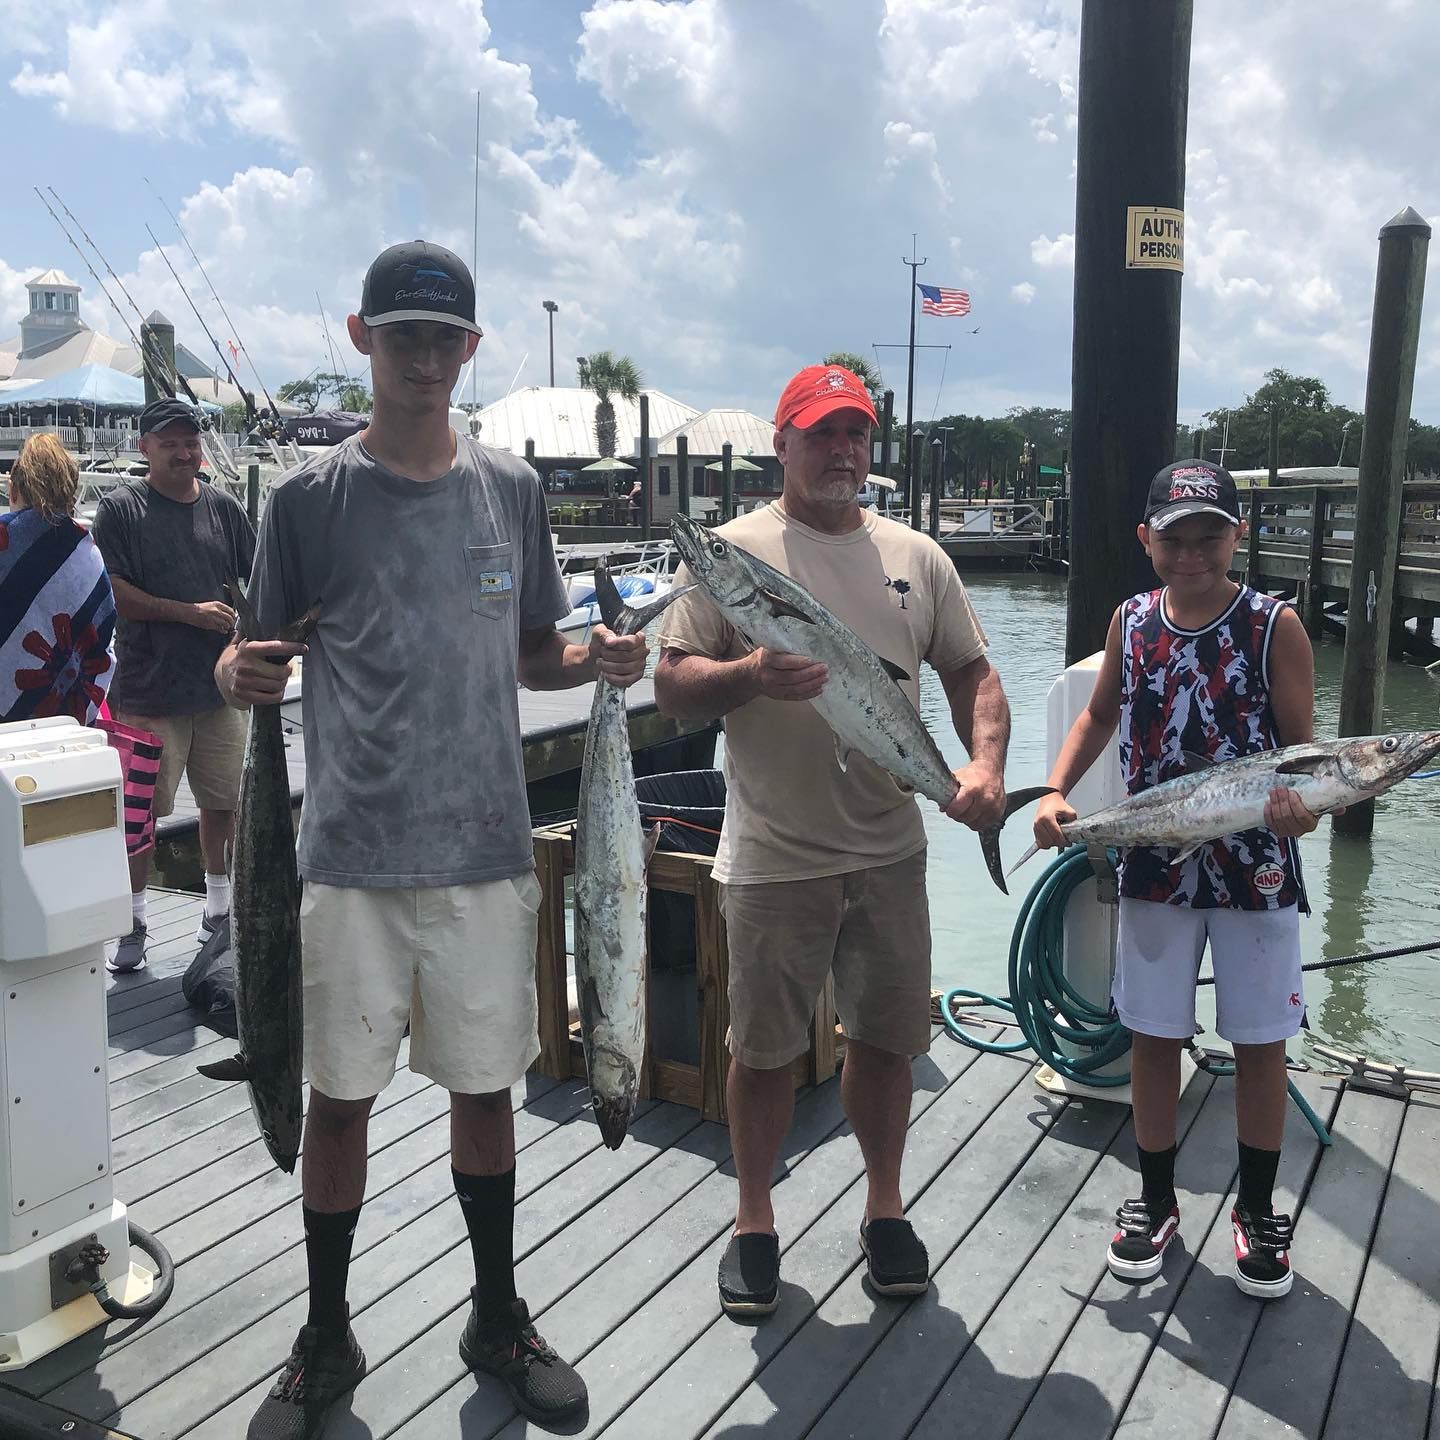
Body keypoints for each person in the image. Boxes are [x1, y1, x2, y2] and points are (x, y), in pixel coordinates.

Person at [214, 239, 647, 1439]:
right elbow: (249, 652)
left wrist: (604, 663)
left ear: (469, 348)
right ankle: (326, 1328)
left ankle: (495, 1315)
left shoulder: (512, 490)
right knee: (336, 1102)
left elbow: (538, 657)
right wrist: (227, 667)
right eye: (399, 333)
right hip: (347, 855)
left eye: (441, 336)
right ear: (362, 339)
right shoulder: (306, 504)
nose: (420, 355)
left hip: (486, 852)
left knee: (484, 1089)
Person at [653, 363, 1013, 1318]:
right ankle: (753, 1219)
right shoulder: (730, 555)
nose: (842, 451)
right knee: (761, 1051)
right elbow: (671, 684)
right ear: (782, 444)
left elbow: (975, 675)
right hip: (775, 855)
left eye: (855, 433)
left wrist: (980, 769)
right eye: (821, 433)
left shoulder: (917, 555)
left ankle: (884, 1207)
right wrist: (747, 676)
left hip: (891, 849)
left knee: (888, 1043)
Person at [1032, 459, 1321, 1301]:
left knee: (1261, 1038)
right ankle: (1156, 1199)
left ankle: (1259, 1209)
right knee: (1153, 1034)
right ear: (1145, 540)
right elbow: (1100, 712)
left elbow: (1301, 757)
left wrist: (1300, 808)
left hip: (1256, 868)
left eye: (1209, 536)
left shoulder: (1276, 626)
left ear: (1238, 536)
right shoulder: (1130, 619)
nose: (1191, 553)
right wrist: (1053, 790)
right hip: (1155, 863)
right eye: (1174, 537)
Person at [90, 398, 256, 973]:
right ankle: (133, 922)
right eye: (170, 443)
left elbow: (254, 581)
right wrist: (190, 613)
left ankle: (218, 911)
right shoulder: (120, 510)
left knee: (224, 805)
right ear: (145, 449)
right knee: (139, 820)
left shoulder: (225, 508)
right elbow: (115, 593)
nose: (185, 453)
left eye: (191, 441)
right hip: (146, 694)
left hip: (219, 694)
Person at [1, 433, 116, 724]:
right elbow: (101, 634)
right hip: (63, 725)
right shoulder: (86, 553)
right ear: (72, 495)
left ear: (12, 491)